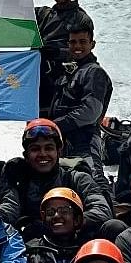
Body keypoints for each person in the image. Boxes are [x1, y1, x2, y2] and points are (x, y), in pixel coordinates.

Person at [0, 120, 113, 238]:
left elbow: (102, 210)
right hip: (28, 243)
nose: (42, 154)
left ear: (59, 152)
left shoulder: (76, 178)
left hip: (74, 241)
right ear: (26, 155)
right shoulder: (16, 175)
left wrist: (68, 223)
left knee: (114, 226)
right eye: (35, 149)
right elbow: (10, 206)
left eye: (49, 148)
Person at [45, 21, 112, 169]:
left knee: (93, 180)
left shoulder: (94, 72)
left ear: (92, 44)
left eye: (82, 42)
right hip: (64, 143)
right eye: (73, 42)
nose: (77, 47)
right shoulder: (67, 74)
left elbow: (90, 112)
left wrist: (56, 125)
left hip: (85, 142)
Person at [23, 187, 94, 263]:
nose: (56, 216)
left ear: (77, 219)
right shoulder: (31, 251)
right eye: (50, 212)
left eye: (64, 211)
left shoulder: (89, 252)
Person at [35, 0, 95, 64]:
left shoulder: (80, 19)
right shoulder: (43, 14)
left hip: (66, 72)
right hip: (38, 68)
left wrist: (57, 52)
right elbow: (15, 9)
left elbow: (84, 49)